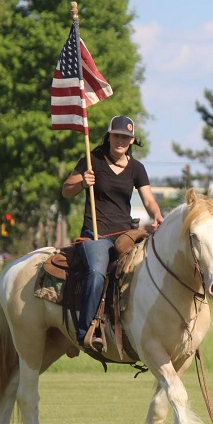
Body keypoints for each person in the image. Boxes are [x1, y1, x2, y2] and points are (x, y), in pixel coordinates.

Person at [62, 115, 164, 351]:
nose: (120, 140)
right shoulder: (92, 161)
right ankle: (84, 331)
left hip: (125, 234)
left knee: (148, 268)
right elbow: (66, 191)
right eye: (117, 135)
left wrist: (157, 215)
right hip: (95, 234)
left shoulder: (137, 168)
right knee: (97, 272)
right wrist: (82, 184)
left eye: (126, 137)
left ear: (132, 140)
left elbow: (148, 200)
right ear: (109, 136)